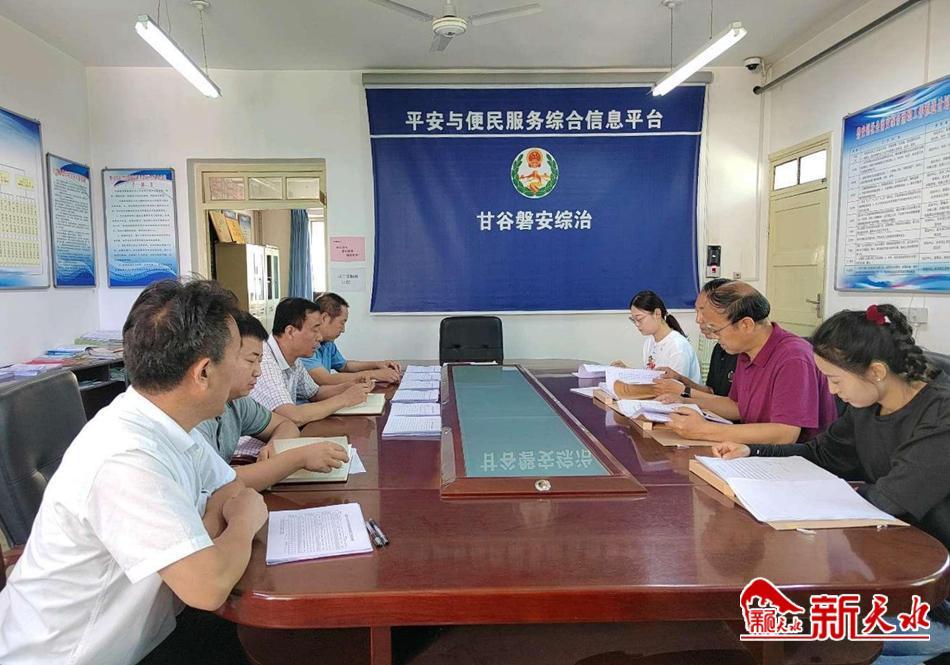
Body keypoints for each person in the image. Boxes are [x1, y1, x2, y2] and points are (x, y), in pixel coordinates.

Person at [0, 279, 268, 665]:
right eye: (237, 356)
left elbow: (230, 490)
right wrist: (242, 522)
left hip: (149, 630)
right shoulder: (126, 456)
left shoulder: (170, 423)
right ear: (204, 372)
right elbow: (208, 586)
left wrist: (208, 534)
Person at [712, 304, 950, 663]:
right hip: (886, 563)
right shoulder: (868, 402)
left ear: (877, 371)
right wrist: (752, 451)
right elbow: (823, 453)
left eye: (835, 380)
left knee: (812, 639)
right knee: (775, 623)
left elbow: (888, 500)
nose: (832, 391)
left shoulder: (942, 416)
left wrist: (799, 505)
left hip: (933, 590)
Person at [661, 281, 837, 444]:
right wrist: (684, 402)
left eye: (716, 329)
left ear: (746, 325)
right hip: (756, 451)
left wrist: (705, 430)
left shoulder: (793, 357)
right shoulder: (746, 352)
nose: (714, 336)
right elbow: (737, 406)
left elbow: (785, 434)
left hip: (794, 460)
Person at [193, 311, 350, 491]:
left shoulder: (237, 402)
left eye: (259, 361)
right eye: (250, 361)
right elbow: (218, 484)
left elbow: (286, 424)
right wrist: (297, 459)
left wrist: (274, 446)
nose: (258, 372)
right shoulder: (194, 417)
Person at [248, 297, 372, 427]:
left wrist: (349, 386)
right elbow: (292, 416)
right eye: (315, 330)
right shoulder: (264, 362)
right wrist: (344, 399)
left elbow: (315, 393)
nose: (320, 337)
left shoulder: (294, 358)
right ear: (290, 331)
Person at [653, 278, 738, 398]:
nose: (698, 319)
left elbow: (733, 405)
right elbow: (711, 392)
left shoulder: (745, 353)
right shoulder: (719, 348)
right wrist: (680, 379)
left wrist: (684, 392)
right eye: (697, 311)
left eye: (704, 311)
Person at [301, 292, 402, 386]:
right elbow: (326, 379)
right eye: (342, 322)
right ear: (324, 318)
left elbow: (345, 366)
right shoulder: (306, 345)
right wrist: (374, 374)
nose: (343, 330)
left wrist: (377, 364)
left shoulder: (328, 343)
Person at [613, 290, 702, 384]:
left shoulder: (678, 347)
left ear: (657, 313)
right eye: (633, 320)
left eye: (639, 319)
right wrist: (626, 371)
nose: (637, 324)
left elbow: (675, 387)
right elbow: (649, 377)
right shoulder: (649, 342)